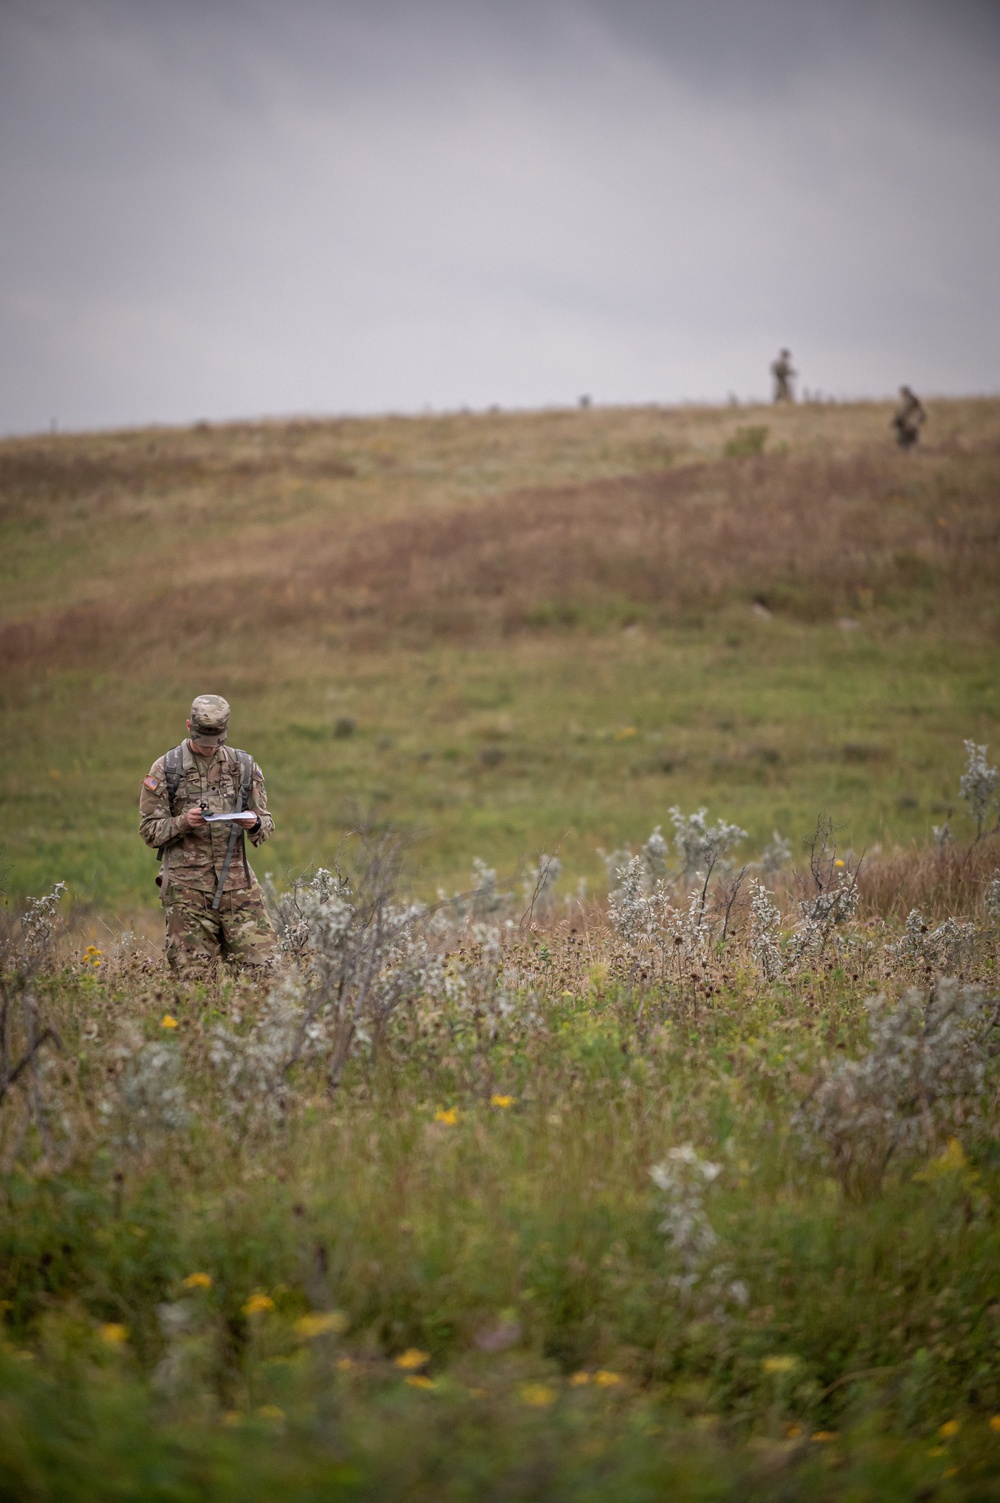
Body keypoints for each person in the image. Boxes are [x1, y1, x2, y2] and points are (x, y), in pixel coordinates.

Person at [139, 694, 277, 980]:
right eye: (202, 744)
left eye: (214, 744)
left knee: (266, 977)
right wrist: (183, 822)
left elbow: (266, 823)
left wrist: (252, 824)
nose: (207, 750)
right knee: (194, 983)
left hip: (239, 889)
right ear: (189, 726)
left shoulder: (245, 766)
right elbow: (149, 831)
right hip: (187, 893)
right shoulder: (166, 769)